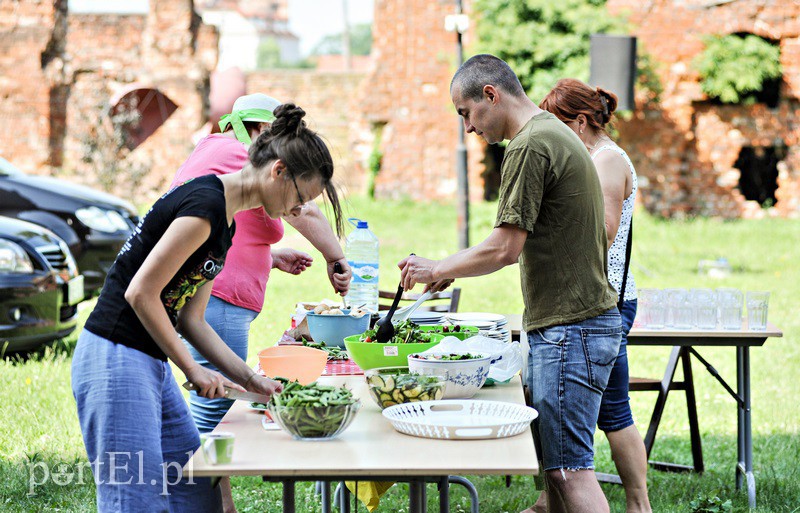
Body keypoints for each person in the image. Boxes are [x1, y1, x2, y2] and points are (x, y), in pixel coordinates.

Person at [71, 104, 343, 513]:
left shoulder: (227, 222)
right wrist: (194, 369)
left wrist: (251, 380)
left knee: (198, 490)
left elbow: (191, 319)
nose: (297, 210)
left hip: (148, 359)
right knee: (136, 500)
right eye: (301, 197)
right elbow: (141, 293)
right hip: (114, 355)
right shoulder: (205, 205)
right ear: (279, 171)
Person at [398, 55, 622, 513]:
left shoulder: (528, 144)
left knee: (569, 471)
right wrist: (448, 269)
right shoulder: (553, 132)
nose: (468, 128)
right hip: (580, 324)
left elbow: (504, 248)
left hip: (571, 328)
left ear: (490, 95)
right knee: (556, 474)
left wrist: (438, 267)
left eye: (466, 113)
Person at [170, 93, 351, 513]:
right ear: (263, 136)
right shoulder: (239, 157)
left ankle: (215, 505)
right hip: (216, 299)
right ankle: (208, 505)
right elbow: (299, 211)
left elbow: (228, 234)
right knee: (214, 415)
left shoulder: (213, 148)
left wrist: (268, 256)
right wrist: (335, 256)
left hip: (213, 294)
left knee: (215, 406)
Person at [535, 78, 651, 512]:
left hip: (606, 299)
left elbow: (602, 229)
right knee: (605, 408)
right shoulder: (592, 157)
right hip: (597, 298)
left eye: (560, 126)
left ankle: (635, 504)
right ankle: (561, 499)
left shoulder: (605, 161)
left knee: (609, 409)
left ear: (580, 122)